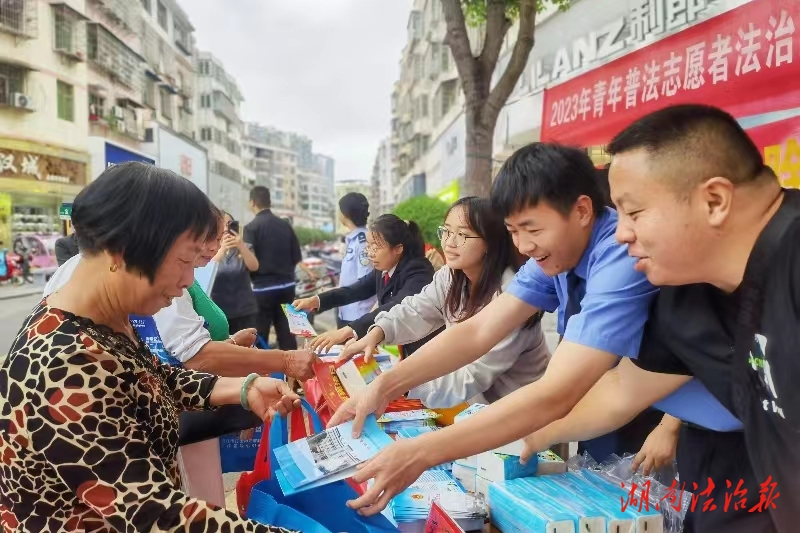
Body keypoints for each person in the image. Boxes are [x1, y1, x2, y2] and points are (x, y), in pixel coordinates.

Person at [327, 142, 733, 516]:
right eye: (514, 231)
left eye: (532, 229)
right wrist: (385, 386)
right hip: (667, 414)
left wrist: (423, 451)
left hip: (725, 425)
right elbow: (477, 330)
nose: (522, 246)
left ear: (582, 210)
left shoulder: (621, 258)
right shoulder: (551, 260)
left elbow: (570, 393)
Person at [523, 105, 798, 533]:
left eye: (633, 212)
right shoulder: (695, 294)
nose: (622, 233)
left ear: (715, 200)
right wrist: (529, 435)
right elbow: (621, 389)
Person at [0, 162, 300, 532]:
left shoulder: (106, 321)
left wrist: (242, 388)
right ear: (121, 250)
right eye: (185, 260)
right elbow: (158, 516)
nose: (189, 280)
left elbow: (153, 379)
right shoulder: (65, 365)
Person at [339, 197, 551, 408]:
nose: (449, 242)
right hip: (476, 408)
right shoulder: (451, 276)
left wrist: (397, 387)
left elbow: (472, 374)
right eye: (447, 231)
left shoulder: (513, 296)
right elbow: (417, 309)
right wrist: (378, 332)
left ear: (491, 240)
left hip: (524, 414)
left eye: (462, 234)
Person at [293, 214, 441, 356]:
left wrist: (348, 330)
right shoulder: (383, 269)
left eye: (376, 247)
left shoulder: (418, 270)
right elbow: (354, 291)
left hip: (429, 349)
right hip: (406, 344)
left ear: (397, 249)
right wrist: (316, 300)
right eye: (368, 246)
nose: (370, 253)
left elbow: (395, 306)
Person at [245, 185, 315, 350]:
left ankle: (264, 373)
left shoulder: (251, 228)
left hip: (263, 290)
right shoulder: (285, 226)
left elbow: (249, 262)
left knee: (260, 335)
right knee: (286, 334)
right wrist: (310, 273)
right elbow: (297, 258)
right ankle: (293, 373)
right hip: (287, 288)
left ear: (252, 202)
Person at [211, 212, 260, 333]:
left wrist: (241, 246)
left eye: (229, 224)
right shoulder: (209, 249)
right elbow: (207, 271)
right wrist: (222, 250)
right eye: (222, 225)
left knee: (246, 349)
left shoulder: (245, 247)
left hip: (244, 311)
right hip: (218, 312)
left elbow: (254, 266)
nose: (227, 229)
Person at [335, 192, 376, 329]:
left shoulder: (363, 242)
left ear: (345, 214)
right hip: (346, 312)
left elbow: (365, 282)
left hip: (357, 317)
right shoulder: (353, 240)